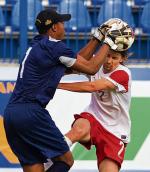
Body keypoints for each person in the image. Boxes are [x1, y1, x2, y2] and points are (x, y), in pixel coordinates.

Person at [3, 8, 123, 172]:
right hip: (31, 113)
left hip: (11, 114)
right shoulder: (54, 47)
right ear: (53, 28)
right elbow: (92, 68)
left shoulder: (36, 47)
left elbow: (78, 63)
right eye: (62, 23)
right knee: (65, 159)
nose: (64, 27)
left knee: (35, 168)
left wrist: (97, 38)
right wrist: (109, 42)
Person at [58, 49, 132, 172]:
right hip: (93, 117)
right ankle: (49, 158)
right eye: (107, 56)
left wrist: (58, 85)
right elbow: (72, 65)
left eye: (114, 58)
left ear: (122, 59)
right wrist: (53, 73)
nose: (108, 61)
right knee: (78, 130)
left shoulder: (123, 74)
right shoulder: (96, 63)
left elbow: (93, 86)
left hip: (115, 131)